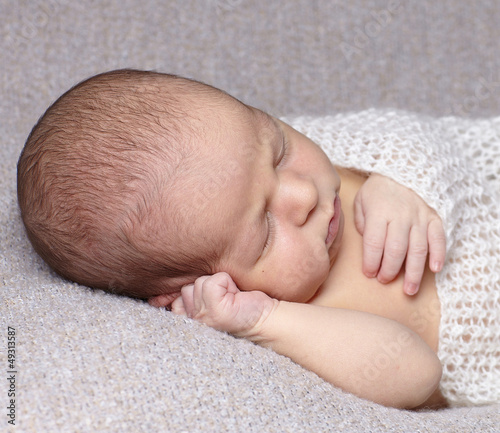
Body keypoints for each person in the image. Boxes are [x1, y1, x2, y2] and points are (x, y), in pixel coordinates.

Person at [17, 69, 499, 409]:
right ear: (209, 285)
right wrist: (265, 320)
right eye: (265, 229)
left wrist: (403, 180)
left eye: (279, 152)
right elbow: (418, 375)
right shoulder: (289, 323)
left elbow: (409, 132)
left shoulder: (272, 148)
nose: (302, 194)